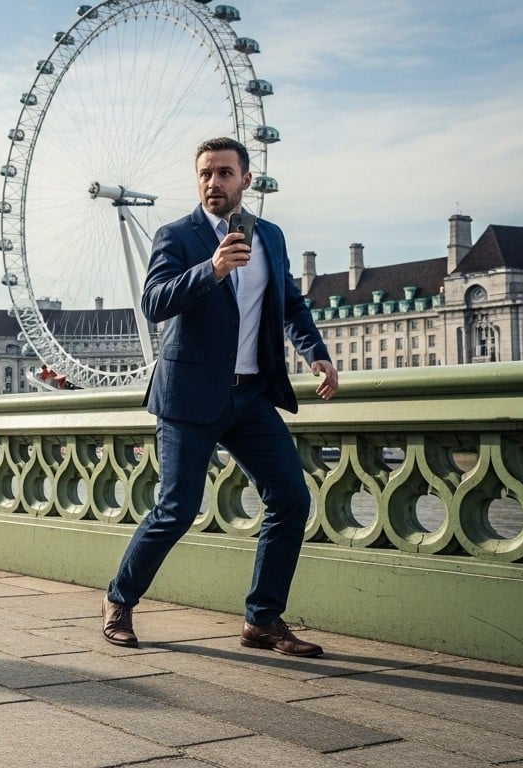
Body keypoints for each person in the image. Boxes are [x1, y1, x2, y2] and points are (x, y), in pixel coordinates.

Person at [101, 136, 338, 658]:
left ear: (245, 180)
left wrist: (315, 353)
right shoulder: (177, 235)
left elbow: (292, 306)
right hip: (188, 397)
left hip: (251, 395)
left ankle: (263, 618)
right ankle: (119, 599)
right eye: (205, 173)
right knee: (177, 508)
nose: (214, 182)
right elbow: (154, 302)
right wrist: (211, 269)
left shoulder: (270, 237)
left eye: (225, 173)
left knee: (291, 500)